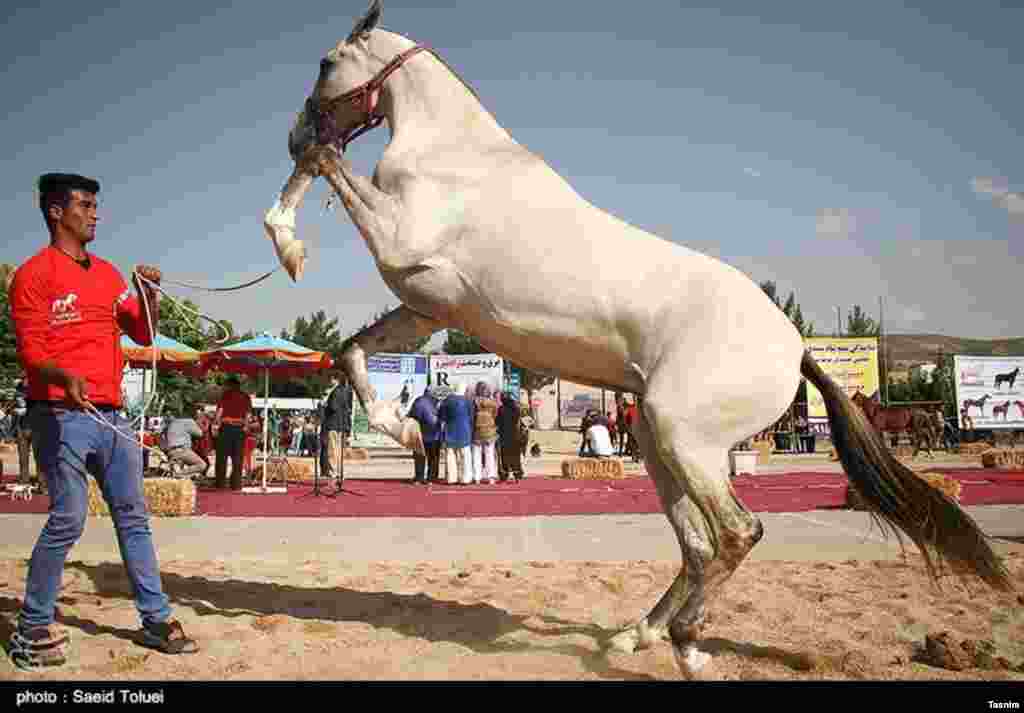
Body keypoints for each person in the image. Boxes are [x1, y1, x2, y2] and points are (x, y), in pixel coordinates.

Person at [7, 172, 198, 668]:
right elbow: (32, 356)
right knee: (68, 518)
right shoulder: (33, 276)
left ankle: (155, 619)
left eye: (96, 205)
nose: (95, 213)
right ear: (56, 211)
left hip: (112, 417)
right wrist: (61, 375)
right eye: (85, 205)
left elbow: (142, 330)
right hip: (60, 416)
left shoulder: (110, 275)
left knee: (134, 518)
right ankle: (31, 628)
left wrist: (149, 292)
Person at [214, 375, 251, 490]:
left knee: (221, 457)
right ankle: (236, 484)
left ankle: (220, 483)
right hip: (239, 429)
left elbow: (219, 413)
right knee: (238, 458)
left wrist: (216, 424)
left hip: (226, 428)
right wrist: (245, 426)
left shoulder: (225, 396)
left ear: (230, 385)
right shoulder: (246, 397)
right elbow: (248, 415)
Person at [319, 372, 353, 487]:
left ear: (335, 379)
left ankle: (333, 476)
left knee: (332, 451)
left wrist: (324, 404)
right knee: (338, 451)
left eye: (331, 378)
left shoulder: (335, 391)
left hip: (332, 424)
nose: (329, 381)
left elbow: (333, 407)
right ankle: (340, 474)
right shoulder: (345, 391)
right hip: (341, 425)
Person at [438, 382, 475, 485]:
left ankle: (451, 478)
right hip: (464, 431)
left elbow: (442, 418)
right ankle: (465, 478)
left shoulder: (447, 401)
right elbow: (471, 418)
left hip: (449, 431)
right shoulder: (468, 401)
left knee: (450, 456)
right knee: (465, 456)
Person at [408, 386, 442, 483]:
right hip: (435, 434)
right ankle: (432, 478)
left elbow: (413, 416)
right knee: (434, 458)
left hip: (420, 433)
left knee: (419, 456)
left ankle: (419, 477)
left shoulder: (418, 401)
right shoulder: (437, 402)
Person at [161, 408, 206, 479]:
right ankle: (178, 473)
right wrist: (199, 422)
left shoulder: (172, 422)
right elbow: (200, 434)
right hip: (182, 450)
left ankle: (179, 474)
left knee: (178, 478)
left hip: (171, 452)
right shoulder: (189, 421)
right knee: (202, 465)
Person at [471, 382, 500, 484]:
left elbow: (472, 416)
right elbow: (495, 415)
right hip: (489, 429)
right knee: (490, 453)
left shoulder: (474, 402)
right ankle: (491, 476)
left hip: (477, 429)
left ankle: (477, 477)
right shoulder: (492, 403)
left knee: (476, 454)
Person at [496, 391, 524, 482]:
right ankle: (517, 474)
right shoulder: (516, 408)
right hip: (515, 435)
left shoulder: (501, 409)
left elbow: (497, 421)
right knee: (515, 456)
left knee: (505, 456)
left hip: (504, 435)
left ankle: (505, 474)